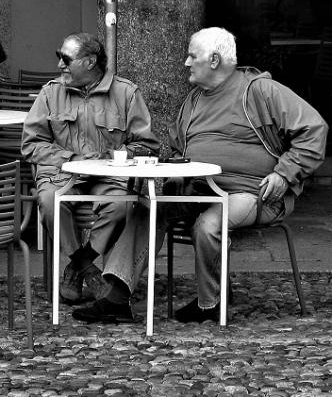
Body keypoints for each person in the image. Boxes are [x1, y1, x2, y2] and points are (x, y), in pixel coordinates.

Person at [72, 27, 328, 324]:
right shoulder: (194, 100)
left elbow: (315, 128)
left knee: (209, 224)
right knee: (149, 208)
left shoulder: (260, 91)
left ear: (215, 60)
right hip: (199, 187)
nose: (186, 62)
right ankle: (116, 298)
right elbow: (180, 149)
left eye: (193, 56)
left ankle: (210, 303)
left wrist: (285, 174)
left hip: (253, 191)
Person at [21, 32, 159, 305]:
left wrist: (113, 156)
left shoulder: (126, 93)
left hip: (109, 176)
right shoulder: (50, 92)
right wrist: (70, 158)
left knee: (122, 205)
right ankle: (87, 269)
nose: (60, 64)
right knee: (50, 201)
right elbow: (30, 145)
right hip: (62, 174)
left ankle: (76, 267)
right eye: (58, 56)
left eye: (66, 58)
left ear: (90, 62)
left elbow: (147, 146)